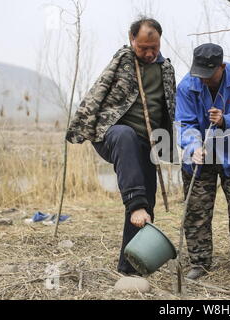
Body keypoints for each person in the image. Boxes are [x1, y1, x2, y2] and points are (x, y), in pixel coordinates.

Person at [66, 17, 176, 276]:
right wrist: (80, 127)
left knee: (146, 205)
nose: (149, 53)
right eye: (143, 48)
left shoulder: (166, 69)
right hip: (113, 136)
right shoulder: (124, 61)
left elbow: (169, 109)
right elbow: (98, 92)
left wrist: (169, 145)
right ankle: (136, 202)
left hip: (146, 142)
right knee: (126, 135)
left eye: (154, 48)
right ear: (132, 40)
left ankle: (131, 267)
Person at [175, 43, 230, 279]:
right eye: (200, 74)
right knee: (196, 210)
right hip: (199, 157)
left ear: (221, 66)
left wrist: (225, 120)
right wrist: (193, 146)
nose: (204, 79)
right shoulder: (186, 86)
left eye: (209, 74)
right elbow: (184, 123)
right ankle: (199, 263)